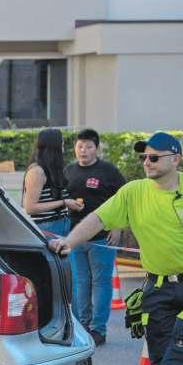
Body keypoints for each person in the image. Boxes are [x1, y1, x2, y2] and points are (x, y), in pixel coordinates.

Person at [49, 132, 183, 365]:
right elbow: (96, 219)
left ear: (176, 159)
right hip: (158, 290)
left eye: (155, 157)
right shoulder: (134, 192)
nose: (147, 162)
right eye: (144, 157)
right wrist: (68, 241)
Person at [63, 129, 126, 346]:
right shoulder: (69, 171)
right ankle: (82, 326)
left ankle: (99, 329)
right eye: (80, 146)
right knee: (80, 283)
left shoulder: (109, 171)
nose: (83, 150)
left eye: (89, 146)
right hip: (75, 238)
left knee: (101, 283)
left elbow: (124, 200)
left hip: (102, 238)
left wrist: (117, 227)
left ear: (97, 148)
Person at [22, 128, 80, 236]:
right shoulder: (37, 171)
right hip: (47, 227)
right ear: (55, 147)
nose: (63, 148)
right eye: (62, 144)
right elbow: (30, 208)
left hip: (61, 224)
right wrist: (64, 202)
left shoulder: (53, 169)